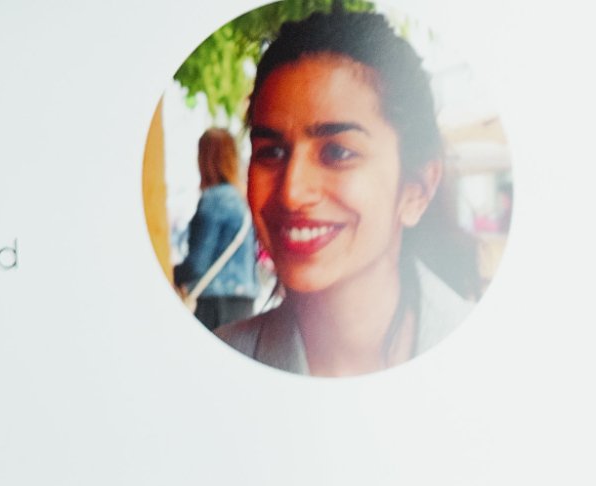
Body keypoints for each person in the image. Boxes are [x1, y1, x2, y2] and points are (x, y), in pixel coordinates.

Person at [218, 8, 476, 377]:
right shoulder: (213, 366)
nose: (291, 193)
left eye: (337, 152)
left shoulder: (500, 364)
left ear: (417, 189)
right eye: (271, 152)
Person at [174, 128, 260, 331]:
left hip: (215, 304)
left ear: (205, 158)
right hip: (244, 302)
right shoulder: (243, 200)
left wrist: (172, 273)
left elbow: (197, 264)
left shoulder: (214, 199)